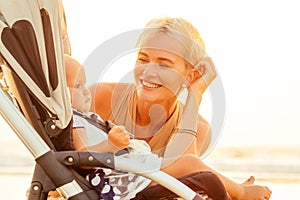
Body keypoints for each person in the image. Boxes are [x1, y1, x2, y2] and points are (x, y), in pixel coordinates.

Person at [89, 17, 272, 200]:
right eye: (143, 59)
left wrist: (196, 94)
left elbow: (190, 180)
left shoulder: (199, 128)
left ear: (190, 75)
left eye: (164, 64)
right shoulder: (99, 97)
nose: (148, 71)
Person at [64, 54, 153, 199]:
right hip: (114, 180)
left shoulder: (85, 118)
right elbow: (82, 157)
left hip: (123, 170)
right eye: (78, 86)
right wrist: (111, 145)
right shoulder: (74, 120)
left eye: (84, 84)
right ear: (61, 93)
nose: (87, 91)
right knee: (189, 168)